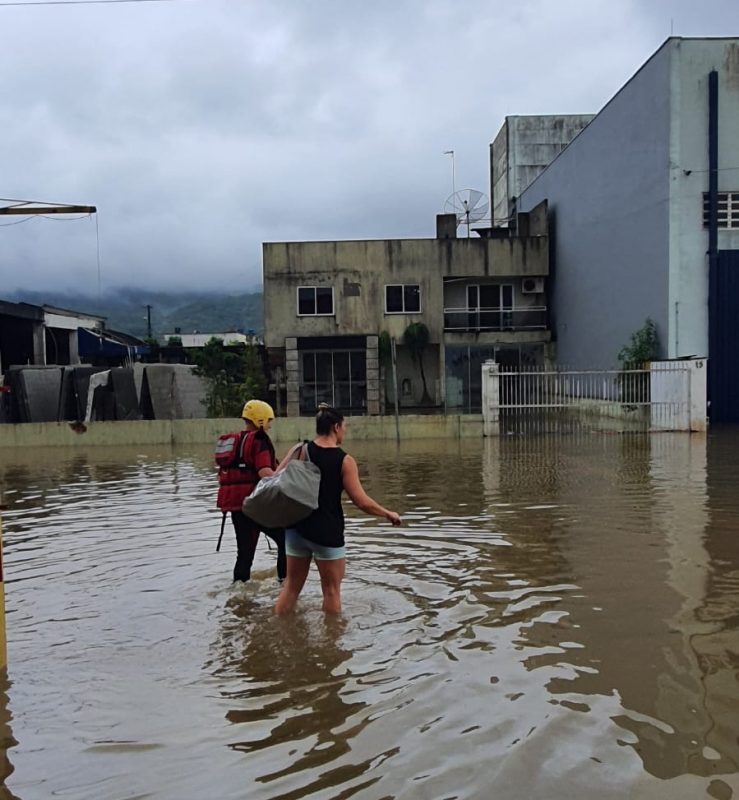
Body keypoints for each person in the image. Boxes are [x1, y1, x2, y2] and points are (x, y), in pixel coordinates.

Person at [274, 404, 401, 615]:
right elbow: (361, 501)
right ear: (335, 427)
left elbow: (274, 480)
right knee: (331, 591)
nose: (345, 431)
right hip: (327, 532)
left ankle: (278, 632)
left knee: (291, 587)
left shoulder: (299, 450)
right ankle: (332, 644)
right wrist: (387, 513)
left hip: (296, 529)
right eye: (344, 427)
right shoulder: (345, 461)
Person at [216, 399, 286, 583]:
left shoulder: (235, 441)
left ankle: (239, 596)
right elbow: (266, 474)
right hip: (256, 505)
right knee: (286, 541)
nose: (270, 425)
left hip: (236, 506)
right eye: (269, 420)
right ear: (260, 420)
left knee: (244, 554)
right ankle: (284, 586)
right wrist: (288, 480)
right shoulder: (260, 440)